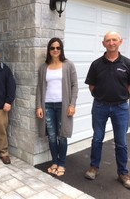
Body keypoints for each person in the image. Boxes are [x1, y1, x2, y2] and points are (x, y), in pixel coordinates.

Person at [84, 31, 130, 190]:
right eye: (108, 40)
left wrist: (123, 96)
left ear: (120, 42)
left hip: (121, 107)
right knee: (97, 138)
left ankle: (123, 173)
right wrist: (99, 96)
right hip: (100, 106)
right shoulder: (96, 64)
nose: (111, 43)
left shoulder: (128, 64)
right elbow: (91, 85)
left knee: (121, 142)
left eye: (114, 40)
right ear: (103, 44)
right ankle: (94, 168)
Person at [36, 37, 78, 177]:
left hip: (63, 105)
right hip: (47, 105)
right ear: (49, 50)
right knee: (52, 136)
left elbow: (74, 86)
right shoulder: (44, 67)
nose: (55, 50)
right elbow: (39, 88)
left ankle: (61, 163)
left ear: (61, 49)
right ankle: (54, 161)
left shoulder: (68, 65)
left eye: (58, 48)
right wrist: (39, 106)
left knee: (62, 136)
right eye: (52, 48)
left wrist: (72, 104)